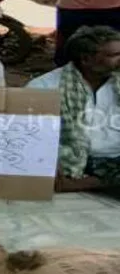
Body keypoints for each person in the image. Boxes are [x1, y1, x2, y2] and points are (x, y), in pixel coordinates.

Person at [26, 26, 120, 192]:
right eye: (114, 55)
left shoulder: (116, 81)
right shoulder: (44, 87)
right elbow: (29, 135)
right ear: (86, 59)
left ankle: (88, 183)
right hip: (71, 160)